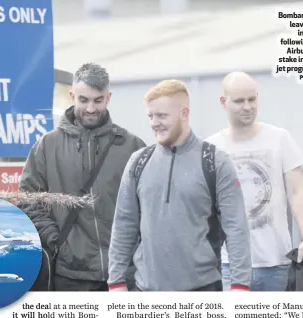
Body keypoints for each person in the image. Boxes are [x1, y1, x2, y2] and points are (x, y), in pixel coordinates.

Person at [107, 79, 252, 292]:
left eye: (162, 116)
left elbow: (236, 228)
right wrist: (116, 281)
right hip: (146, 292)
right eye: (150, 116)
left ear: (184, 114)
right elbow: (123, 225)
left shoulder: (215, 162)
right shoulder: (138, 162)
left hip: (202, 291)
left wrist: (240, 286)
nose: (154, 122)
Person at [19, 62, 146, 291]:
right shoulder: (47, 146)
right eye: (83, 100)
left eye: (98, 100)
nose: (90, 108)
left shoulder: (132, 146)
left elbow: (148, 204)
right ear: (72, 96)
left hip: (124, 273)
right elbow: (29, 199)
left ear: (109, 97)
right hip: (70, 274)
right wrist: (55, 240)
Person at [206, 71, 303, 292]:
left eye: (252, 99)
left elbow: (297, 193)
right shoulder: (211, 148)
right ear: (223, 102)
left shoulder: (279, 139)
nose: (247, 106)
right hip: (230, 265)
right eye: (239, 101)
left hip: (277, 263)